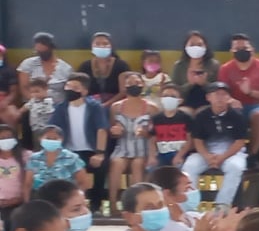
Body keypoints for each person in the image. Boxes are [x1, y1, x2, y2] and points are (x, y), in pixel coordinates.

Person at [180, 82, 251, 209]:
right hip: (207, 152)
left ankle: (222, 206)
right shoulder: (202, 116)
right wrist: (207, 156)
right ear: (208, 97)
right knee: (190, 166)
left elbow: (239, 142)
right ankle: (188, 206)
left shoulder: (237, 116)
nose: (220, 98)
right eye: (216, 94)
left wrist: (222, 157)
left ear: (229, 97)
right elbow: (197, 140)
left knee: (235, 167)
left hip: (231, 153)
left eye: (224, 94)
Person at [49, 73, 113, 210]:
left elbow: (101, 129)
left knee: (101, 168)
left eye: (75, 87)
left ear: (84, 91)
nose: (69, 89)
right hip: (68, 151)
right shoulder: (60, 108)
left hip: (91, 151)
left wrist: (99, 153)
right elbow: (53, 130)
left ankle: (96, 205)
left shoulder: (94, 107)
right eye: (68, 86)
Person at [216, 33, 259, 154]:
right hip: (235, 106)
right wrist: (231, 100)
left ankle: (253, 155)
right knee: (228, 114)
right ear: (231, 51)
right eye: (237, 48)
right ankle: (230, 152)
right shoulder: (225, 69)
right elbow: (221, 92)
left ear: (252, 50)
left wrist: (250, 92)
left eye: (244, 48)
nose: (241, 51)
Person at [106, 71, 155, 208]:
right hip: (122, 147)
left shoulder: (152, 108)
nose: (134, 85)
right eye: (130, 83)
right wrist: (115, 131)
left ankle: (135, 206)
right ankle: (113, 204)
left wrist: (145, 133)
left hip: (142, 148)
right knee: (116, 163)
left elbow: (155, 133)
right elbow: (112, 130)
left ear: (143, 85)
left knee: (137, 165)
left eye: (137, 82)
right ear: (124, 86)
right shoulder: (116, 107)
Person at [147, 164, 207, 231]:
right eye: (187, 188)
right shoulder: (166, 228)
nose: (192, 191)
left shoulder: (190, 216)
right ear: (167, 194)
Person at [18, 33, 74, 103]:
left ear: (51, 48)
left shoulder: (66, 68)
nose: (40, 54)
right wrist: (36, 103)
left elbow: (70, 91)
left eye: (43, 51)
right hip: (33, 105)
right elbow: (24, 88)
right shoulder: (28, 64)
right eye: (38, 52)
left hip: (57, 106)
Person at [78, 32, 132, 102]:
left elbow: (124, 92)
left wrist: (107, 104)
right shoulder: (85, 66)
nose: (101, 46)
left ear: (111, 47)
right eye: (97, 44)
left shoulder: (122, 66)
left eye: (105, 44)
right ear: (92, 47)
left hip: (116, 104)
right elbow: (79, 90)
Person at [150, 82, 192, 167]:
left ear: (180, 101)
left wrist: (179, 156)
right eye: (165, 96)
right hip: (161, 154)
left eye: (173, 96)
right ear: (161, 99)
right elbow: (152, 140)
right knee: (151, 169)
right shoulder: (156, 119)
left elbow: (190, 140)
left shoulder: (186, 118)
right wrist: (152, 156)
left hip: (180, 154)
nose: (168, 98)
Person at [0, 125, 26, 218]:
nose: (6, 140)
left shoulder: (26, 156)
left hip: (21, 204)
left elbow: (30, 181)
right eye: (2, 138)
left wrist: (20, 199)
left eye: (9, 137)